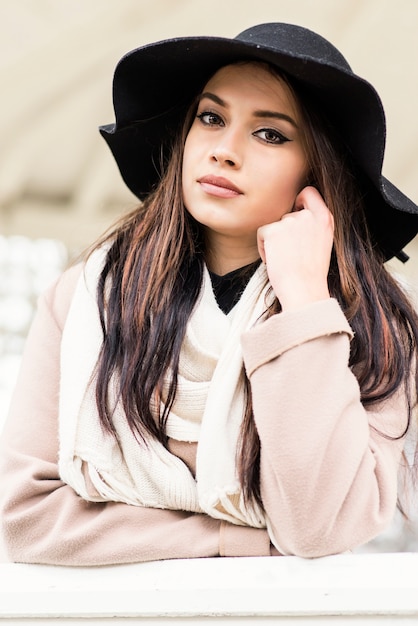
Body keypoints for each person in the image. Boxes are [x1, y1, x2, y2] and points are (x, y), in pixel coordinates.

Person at [1, 22, 418, 566]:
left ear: (318, 171)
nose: (223, 150)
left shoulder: (378, 325)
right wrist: (235, 541)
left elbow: (320, 525)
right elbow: (27, 518)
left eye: (270, 134)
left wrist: (306, 305)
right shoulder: (86, 300)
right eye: (211, 118)